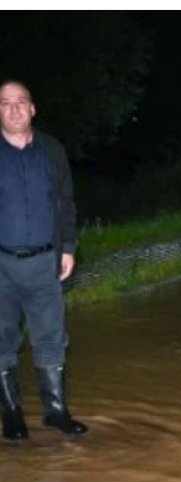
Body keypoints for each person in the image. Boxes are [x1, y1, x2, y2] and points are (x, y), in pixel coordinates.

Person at [0, 79, 87, 440]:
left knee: (51, 336)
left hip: (44, 261)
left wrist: (68, 247)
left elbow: (66, 201)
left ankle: (55, 411)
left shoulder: (53, 150)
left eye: (21, 101)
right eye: (5, 103)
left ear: (33, 108)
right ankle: (12, 415)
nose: (14, 108)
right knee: (1, 339)